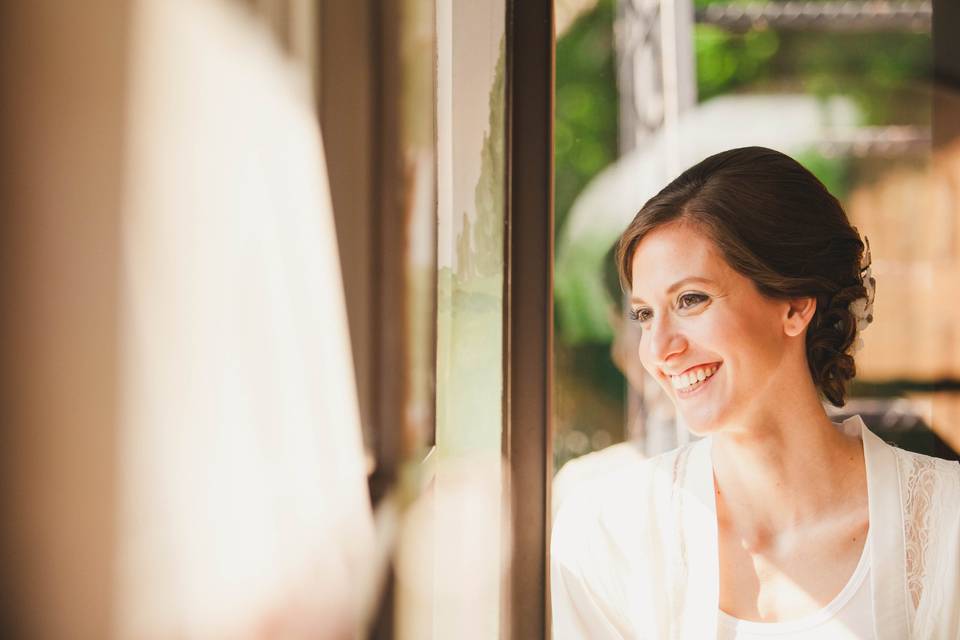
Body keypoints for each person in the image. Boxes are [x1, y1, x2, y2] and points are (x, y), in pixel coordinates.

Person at [550, 147, 960, 639]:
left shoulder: (948, 528)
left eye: (691, 299)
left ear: (795, 305)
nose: (658, 349)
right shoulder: (608, 535)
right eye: (644, 315)